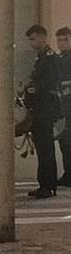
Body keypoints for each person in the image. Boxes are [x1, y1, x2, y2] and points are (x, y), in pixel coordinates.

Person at [24, 24, 62, 198]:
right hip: (39, 108)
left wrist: (31, 90)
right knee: (41, 147)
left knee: (46, 148)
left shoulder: (49, 57)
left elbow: (49, 82)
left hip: (45, 108)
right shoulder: (40, 58)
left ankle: (48, 184)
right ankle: (45, 183)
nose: (31, 43)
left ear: (42, 37)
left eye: (33, 39)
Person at [56, 27, 71, 188]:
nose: (62, 43)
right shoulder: (58, 59)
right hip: (62, 107)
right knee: (64, 143)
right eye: (60, 40)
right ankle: (68, 173)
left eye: (66, 39)